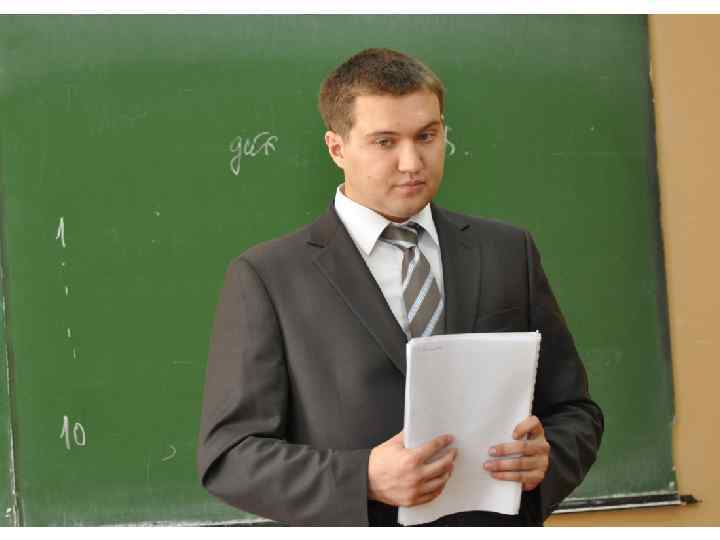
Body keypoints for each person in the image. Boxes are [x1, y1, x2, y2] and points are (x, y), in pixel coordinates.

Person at [197, 48, 604, 526]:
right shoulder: (267, 277)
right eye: (385, 142)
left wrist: (547, 458)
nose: (412, 162)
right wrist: (363, 477)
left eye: (427, 136)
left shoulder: (508, 252)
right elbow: (230, 457)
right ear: (336, 148)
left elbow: (575, 412)